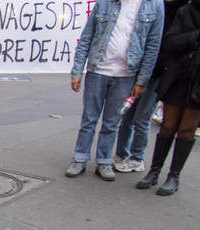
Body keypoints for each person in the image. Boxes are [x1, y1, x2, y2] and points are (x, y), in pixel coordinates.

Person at [137, 0, 200, 194]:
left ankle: (174, 176)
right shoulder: (186, 10)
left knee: (187, 129)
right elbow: (170, 42)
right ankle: (154, 171)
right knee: (168, 126)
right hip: (178, 77)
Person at [65, 0, 164, 181]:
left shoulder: (154, 5)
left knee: (112, 122)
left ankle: (104, 160)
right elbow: (87, 36)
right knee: (89, 119)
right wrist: (77, 70)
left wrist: (142, 80)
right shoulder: (105, 2)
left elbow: (152, 46)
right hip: (98, 70)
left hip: (127, 74)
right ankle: (80, 158)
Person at [114, 0, 189, 173]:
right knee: (126, 115)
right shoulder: (153, 4)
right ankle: (121, 154)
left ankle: (137, 158)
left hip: (157, 72)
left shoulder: (181, 10)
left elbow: (164, 44)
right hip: (136, 68)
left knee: (142, 117)